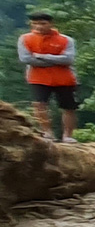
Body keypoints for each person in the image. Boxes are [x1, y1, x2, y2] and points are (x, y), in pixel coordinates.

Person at [17, 12, 79, 142]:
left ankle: (67, 136)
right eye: (35, 23)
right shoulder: (25, 39)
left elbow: (68, 59)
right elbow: (26, 58)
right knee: (39, 105)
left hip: (64, 79)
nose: (39, 26)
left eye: (43, 23)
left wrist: (42, 56)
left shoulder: (65, 40)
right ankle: (47, 133)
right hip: (37, 78)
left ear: (51, 24)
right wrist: (55, 60)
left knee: (68, 107)